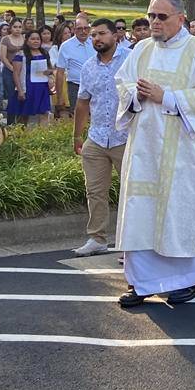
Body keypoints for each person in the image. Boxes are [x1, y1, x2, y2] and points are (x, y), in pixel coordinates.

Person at [114, 0, 195, 307]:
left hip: (184, 151)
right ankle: (141, 283)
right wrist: (134, 95)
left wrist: (165, 96)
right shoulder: (141, 49)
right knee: (141, 214)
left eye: (162, 17)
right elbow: (123, 84)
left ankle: (188, 281)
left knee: (181, 214)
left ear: (181, 19)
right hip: (145, 152)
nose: (155, 22)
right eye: (151, 16)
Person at [73, 19, 129, 256]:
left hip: (125, 137)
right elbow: (83, 102)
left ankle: (131, 244)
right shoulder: (88, 67)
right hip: (96, 138)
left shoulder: (131, 59)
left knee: (132, 192)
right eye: (93, 34)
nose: (96, 38)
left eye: (101, 33)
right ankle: (97, 238)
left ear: (115, 35)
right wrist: (77, 135)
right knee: (95, 191)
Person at [55, 15, 95, 117]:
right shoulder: (66, 46)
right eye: (80, 29)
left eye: (86, 28)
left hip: (96, 86)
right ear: (74, 29)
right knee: (79, 118)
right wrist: (60, 98)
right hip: (76, 87)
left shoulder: (95, 42)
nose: (83, 31)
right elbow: (60, 72)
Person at [11, 29, 54, 124]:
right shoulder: (21, 54)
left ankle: (42, 136)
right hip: (27, 88)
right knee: (24, 116)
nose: (36, 41)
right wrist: (20, 90)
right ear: (27, 41)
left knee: (44, 113)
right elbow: (16, 74)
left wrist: (49, 73)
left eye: (38, 39)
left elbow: (50, 69)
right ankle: (21, 136)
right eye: (33, 39)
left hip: (42, 88)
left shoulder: (44, 53)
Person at [0, 18, 25, 122]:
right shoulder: (5, 39)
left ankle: (20, 122)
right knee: (12, 96)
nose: (17, 29)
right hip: (9, 70)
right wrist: (13, 69)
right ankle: (10, 122)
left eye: (19, 27)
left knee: (22, 94)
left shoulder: (25, 38)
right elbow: (3, 57)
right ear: (10, 28)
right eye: (15, 27)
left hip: (22, 71)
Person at [49, 22, 73, 117]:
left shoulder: (75, 47)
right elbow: (55, 64)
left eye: (69, 32)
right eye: (65, 33)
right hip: (61, 80)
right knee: (63, 110)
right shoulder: (55, 49)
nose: (68, 35)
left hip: (72, 78)